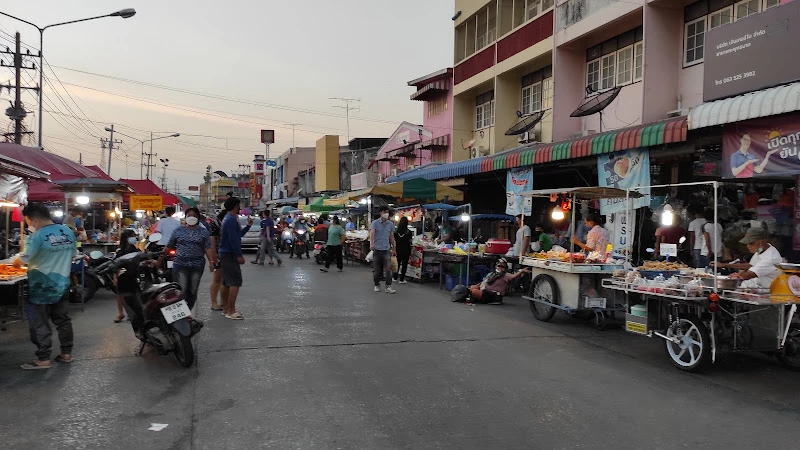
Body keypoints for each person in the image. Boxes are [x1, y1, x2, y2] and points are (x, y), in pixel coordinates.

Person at [13, 203, 76, 369]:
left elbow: (24, 259)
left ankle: (43, 358)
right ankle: (66, 353)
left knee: (39, 322)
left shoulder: (37, 236)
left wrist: (16, 261)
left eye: (27, 222)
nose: (28, 226)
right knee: (63, 321)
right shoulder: (68, 232)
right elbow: (72, 255)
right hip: (62, 284)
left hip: (41, 287)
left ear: (34, 220)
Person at [161, 208, 216, 310]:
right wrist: (160, 259)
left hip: (197, 265)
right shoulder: (178, 231)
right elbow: (168, 246)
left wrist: (211, 262)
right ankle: (180, 313)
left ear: (198, 218)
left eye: (194, 215)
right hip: (180, 264)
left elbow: (208, 247)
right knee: (181, 290)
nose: (192, 218)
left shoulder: (203, 232)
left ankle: (188, 312)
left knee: (193, 290)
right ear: (185, 218)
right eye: (189, 215)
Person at [218, 197, 252, 320]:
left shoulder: (229, 218)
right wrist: (239, 255)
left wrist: (248, 227)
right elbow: (233, 240)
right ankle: (231, 310)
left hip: (225, 253)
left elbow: (238, 235)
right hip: (229, 253)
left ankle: (226, 308)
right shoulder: (231, 220)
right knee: (234, 282)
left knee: (227, 282)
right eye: (238, 205)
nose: (240, 208)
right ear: (235, 206)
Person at [718, 228, 782, 288]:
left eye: (751, 243)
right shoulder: (761, 249)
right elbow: (750, 265)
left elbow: (748, 275)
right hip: (758, 284)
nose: (748, 246)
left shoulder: (771, 258)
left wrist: (733, 277)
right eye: (747, 243)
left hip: (768, 288)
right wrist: (725, 265)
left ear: (761, 242)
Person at [465, 259, 530, 305]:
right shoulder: (492, 274)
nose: (500, 268)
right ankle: (469, 296)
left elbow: (513, 276)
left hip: (494, 295)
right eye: (499, 266)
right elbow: (484, 282)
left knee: (474, 292)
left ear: (505, 268)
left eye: (503, 266)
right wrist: (476, 286)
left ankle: (471, 297)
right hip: (485, 291)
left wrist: (521, 271)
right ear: (496, 266)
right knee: (472, 288)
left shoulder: (505, 275)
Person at [113, 229, 141, 323]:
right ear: (126, 238)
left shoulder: (135, 249)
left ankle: (132, 312)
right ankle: (120, 313)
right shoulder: (120, 251)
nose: (134, 238)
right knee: (120, 294)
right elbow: (115, 266)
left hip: (133, 274)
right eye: (132, 236)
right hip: (122, 275)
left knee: (134, 293)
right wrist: (115, 277)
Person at [370, 205, 396, 294]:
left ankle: (388, 286)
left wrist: (394, 247)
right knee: (377, 270)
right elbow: (372, 234)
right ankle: (376, 285)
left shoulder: (390, 224)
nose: (386, 214)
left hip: (386, 250)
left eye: (387, 212)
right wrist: (371, 244)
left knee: (388, 269)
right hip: (377, 249)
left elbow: (392, 236)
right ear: (381, 213)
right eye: (385, 212)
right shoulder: (375, 223)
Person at [207, 209, 227, 311]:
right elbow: (212, 240)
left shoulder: (229, 222)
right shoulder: (215, 224)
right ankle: (214, 302)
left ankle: (223, 302)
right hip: (219, 254)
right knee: (217, 279)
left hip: (227, 254)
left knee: (226, 280)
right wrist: (214, 254)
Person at [394, 216, 412, 283]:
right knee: (404, 264)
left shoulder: (396, 231)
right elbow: (410, 241)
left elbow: (393, 239)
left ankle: (395, 277)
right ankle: (402, 279)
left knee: (397, 263)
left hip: (398, 249)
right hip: (406, 249)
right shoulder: (408, 232)